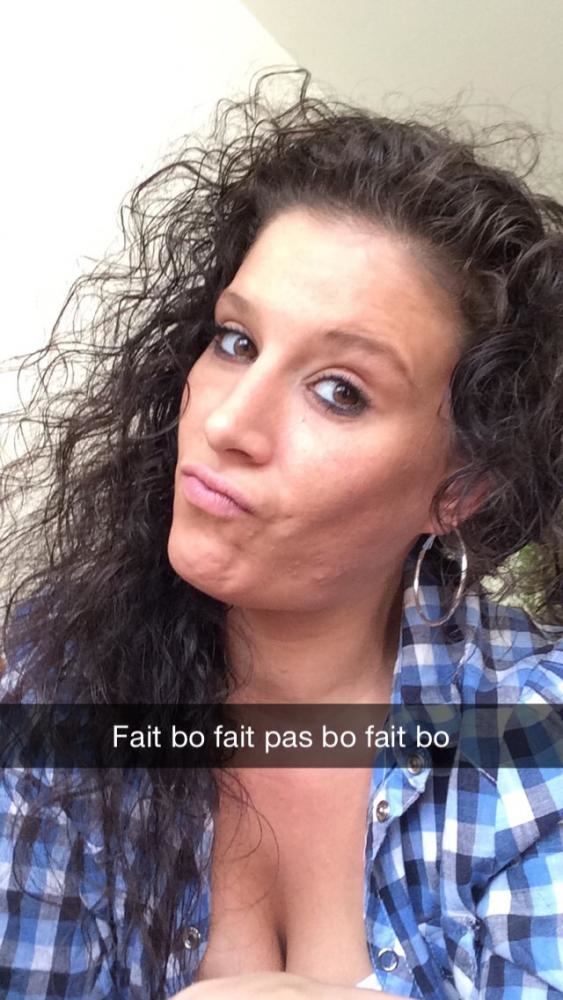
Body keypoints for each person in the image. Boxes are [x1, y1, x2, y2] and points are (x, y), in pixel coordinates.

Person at [1, 68, 563, 1000]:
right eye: (236, 342)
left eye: (339, 391)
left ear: (460, 489)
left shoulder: (530, 735)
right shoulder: (63, 686)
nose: (228, 424)